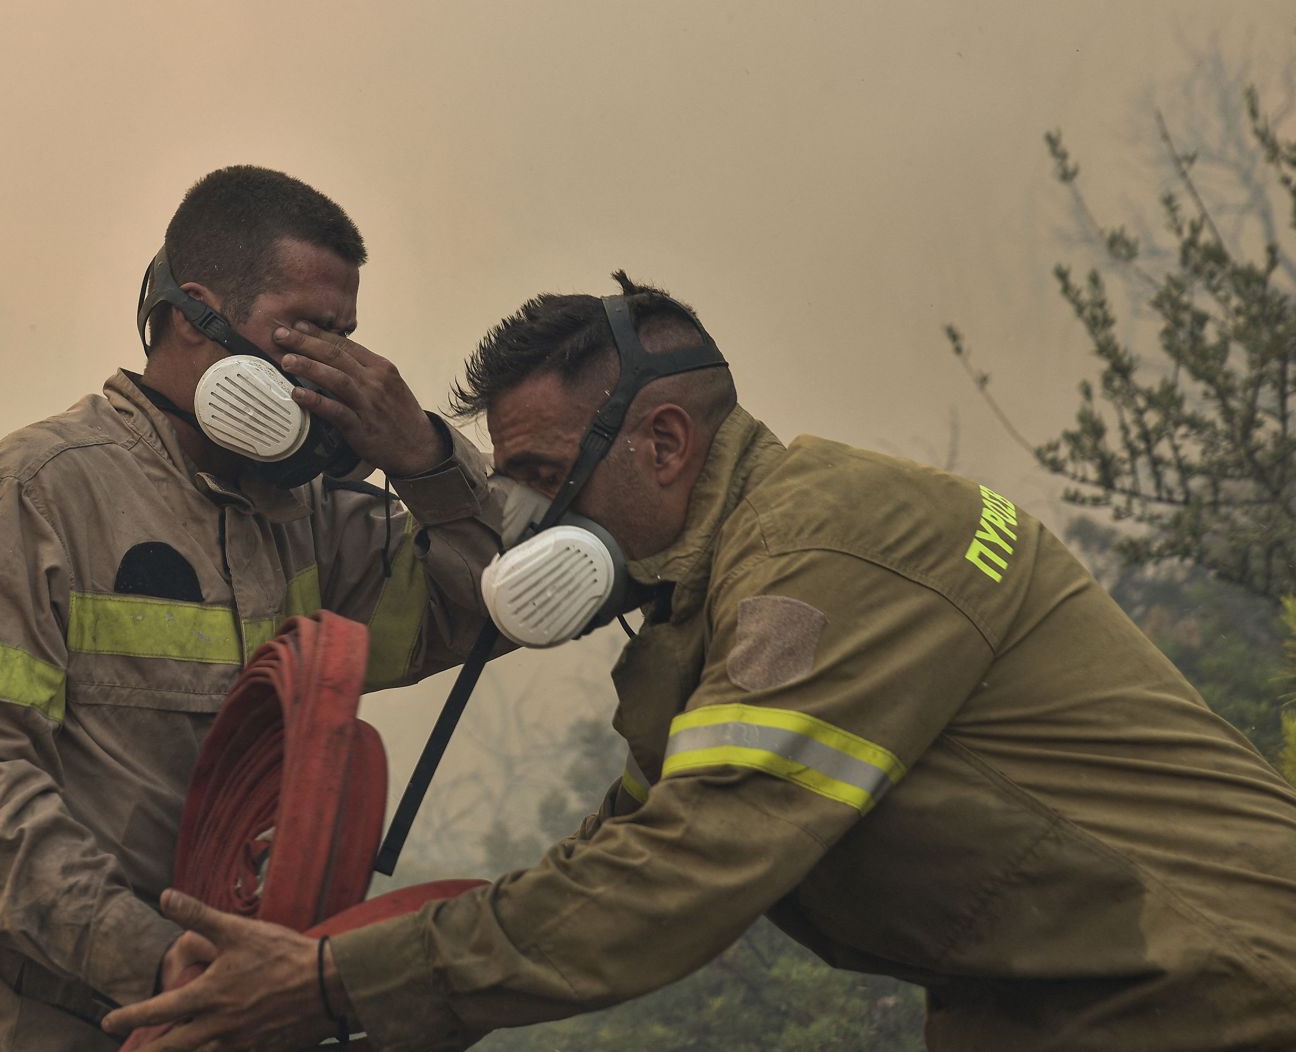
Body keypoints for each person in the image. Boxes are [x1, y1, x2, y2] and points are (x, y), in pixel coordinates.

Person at [103, 273, 1296, 1052]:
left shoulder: (822, 551)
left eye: (536, 481)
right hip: (1077, 1005)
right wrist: (356, 979)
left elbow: (688, 867)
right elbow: (625, 851)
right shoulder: (705, 611)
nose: (525, 528)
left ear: (665, 442)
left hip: (1218, 995)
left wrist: (328, 985)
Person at [0, 166, 504, 1050]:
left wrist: (426, 457)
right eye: (305, 334)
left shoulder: (314, 520)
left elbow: (487, 602)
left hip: (224, 1024)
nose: (334, 371)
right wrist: (163, 961)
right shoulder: (38, 494)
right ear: (193, 314)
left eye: (346, 340)